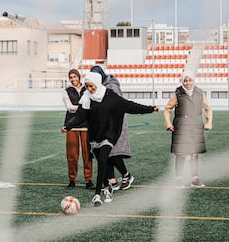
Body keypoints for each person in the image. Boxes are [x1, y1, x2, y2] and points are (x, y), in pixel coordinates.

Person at [63, 71, 159, 206]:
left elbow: (130, 106)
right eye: (88, 87)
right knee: (102, 161)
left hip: (109, 134)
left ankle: (97, 195)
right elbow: (80, 116)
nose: (90, 89)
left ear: (97, 83)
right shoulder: (87, 98)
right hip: (95, 136)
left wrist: (150, 109)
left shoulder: (110, 96)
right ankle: (107, 187)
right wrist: (68, 126)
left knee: (103, 159)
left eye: (92, 86)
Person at [163, 70, 213, 188]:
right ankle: (178, 180)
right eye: (185, 80)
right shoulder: (177, 94)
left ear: (193, 81)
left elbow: (208, 108)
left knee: (194, 153)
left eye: (190, 80)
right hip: (181, 127)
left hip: (196, 126)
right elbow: (167, 109)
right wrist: (168, 123)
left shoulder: (200, 93)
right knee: (180, 153)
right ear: (182, 81)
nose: (188, 83)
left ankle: (195, 179)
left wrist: (209, 122)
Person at [90, 65, 134, 191]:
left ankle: (126, 175)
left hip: (115, 125)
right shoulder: (97, 88)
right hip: (103, 125)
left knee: (113, 153)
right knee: (105, 152)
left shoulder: (112, 87)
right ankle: (112, 182)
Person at [61, 69, 94, 190]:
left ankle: (88, 180)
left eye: (75, 77)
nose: (73, 79)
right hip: (71, 125)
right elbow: (70, 108)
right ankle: (72, 179)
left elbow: (92, 105)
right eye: (71, 77)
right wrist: (84, 108)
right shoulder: (67, 91)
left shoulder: (87, 88)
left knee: (87, 154)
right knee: (72, 155)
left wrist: (84, 108)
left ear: (79, 77)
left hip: (86, 125)